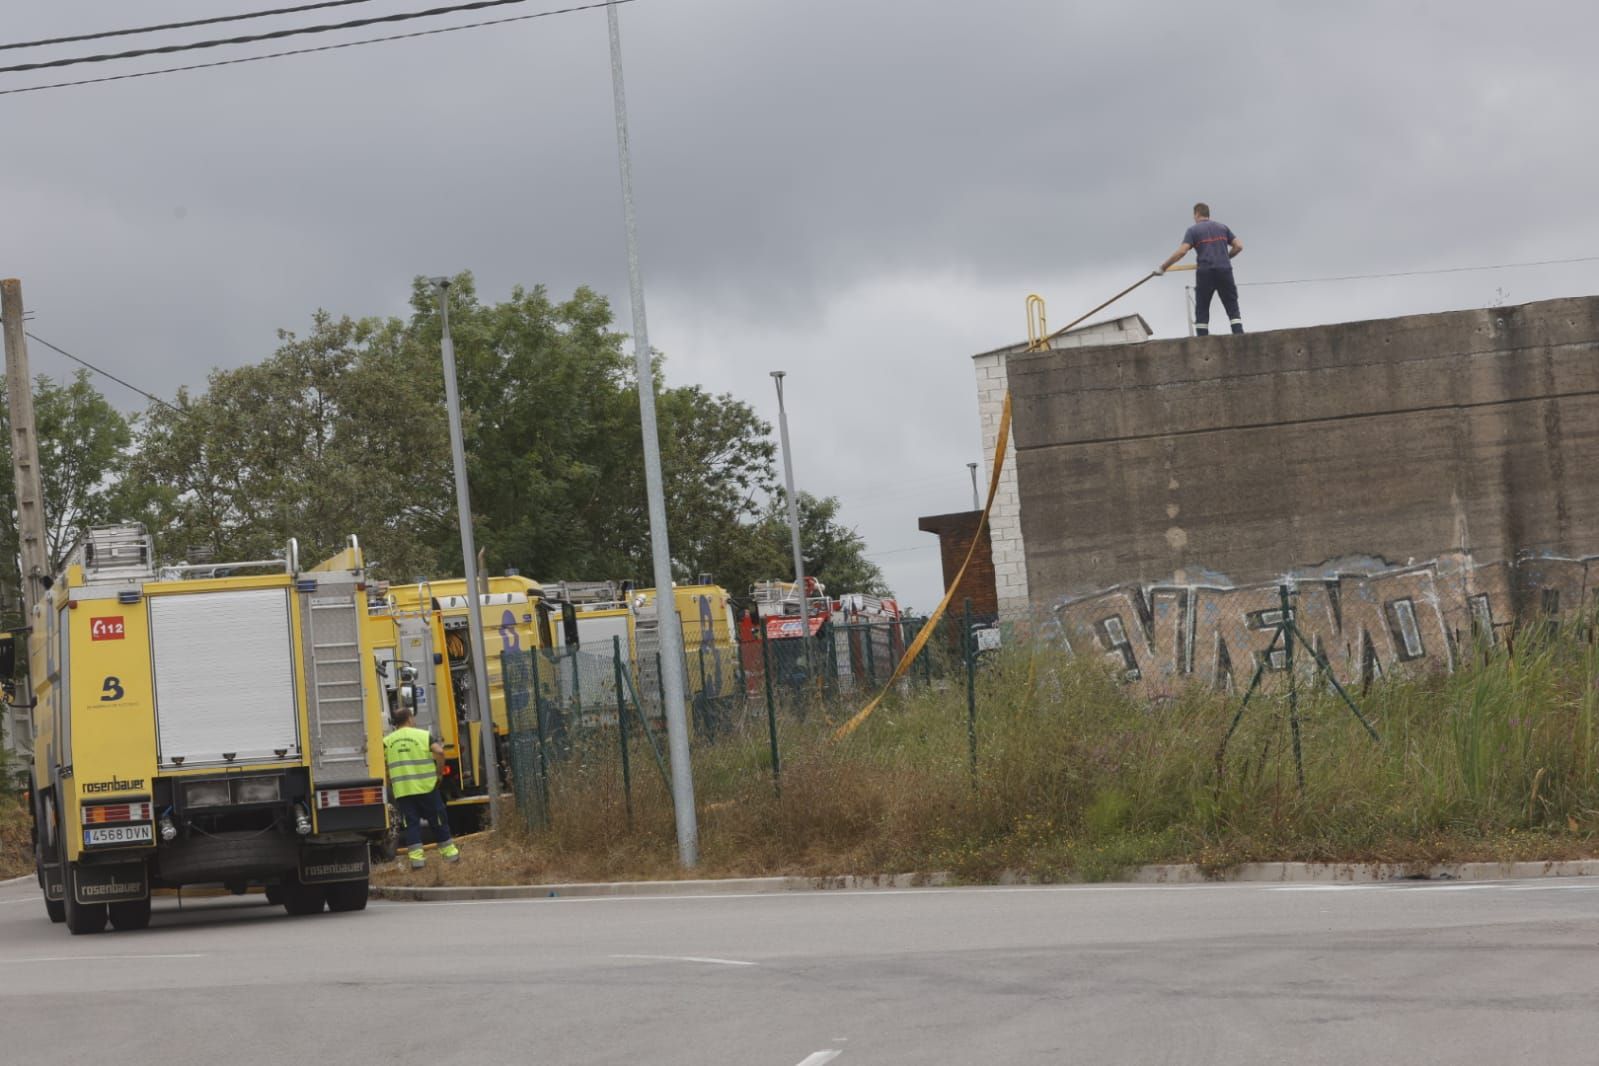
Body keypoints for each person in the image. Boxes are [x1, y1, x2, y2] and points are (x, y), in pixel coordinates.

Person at [383, 705, 461, 870]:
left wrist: (390, 780)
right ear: (410, 718)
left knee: (411, 824)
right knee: (438, 820)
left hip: (403, 791)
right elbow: (439, 752)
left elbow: (382, 764)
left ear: (395, 723)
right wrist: (439, 773)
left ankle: (417, 862)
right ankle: (451, 857)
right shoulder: (423, 735)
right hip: (426, 788)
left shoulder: (387, 741)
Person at [1157, 202, 1244, 335]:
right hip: (1224, 270)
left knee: (1202, 307)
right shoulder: (1223, 228)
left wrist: (1163, 267)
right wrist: (1226, 257)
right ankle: (1239, 335)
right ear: (1208, 214)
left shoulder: (1193, 230)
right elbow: (1238, 246)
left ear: (1196, 214)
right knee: (1231, 304)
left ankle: (1203, 339)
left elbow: (1182, 251)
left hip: (1205, 272)